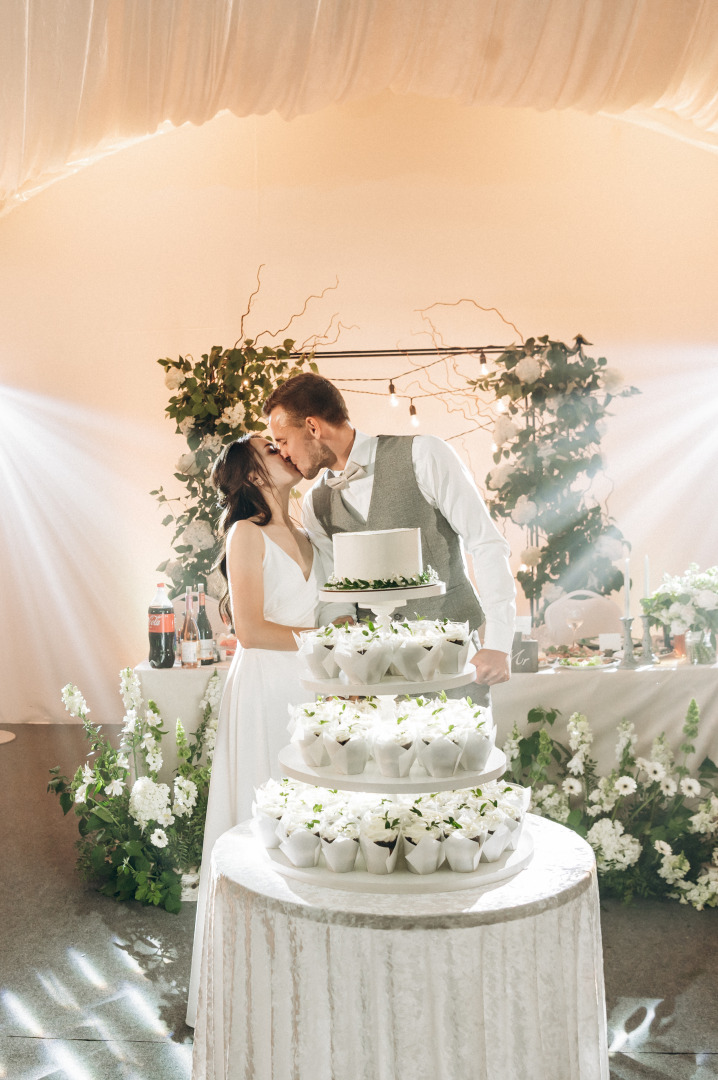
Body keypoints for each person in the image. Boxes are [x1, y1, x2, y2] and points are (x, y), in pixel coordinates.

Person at [186, 433, 323, 1028]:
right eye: (272, 448)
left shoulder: (309, 532)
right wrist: (329, 646)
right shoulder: (246, 533)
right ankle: (252, 991)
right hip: (268, 685)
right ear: (252, 474)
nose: (285, 451)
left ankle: (310, 977)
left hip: (313, 687)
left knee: (314, 826)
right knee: (265, 820)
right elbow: (251, 628)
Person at [264, 373, 516, 697]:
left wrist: (498, 643)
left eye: (283, 440)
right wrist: (343, 649)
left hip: (451, 661)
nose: (283, 453)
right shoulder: (316, 503)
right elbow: (330, 586)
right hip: (375, 675)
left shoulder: (424, 454)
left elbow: (486, 543)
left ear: (313, 427)